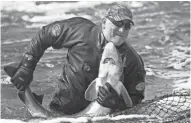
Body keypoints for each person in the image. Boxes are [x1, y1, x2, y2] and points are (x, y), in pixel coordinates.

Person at [10, 4, 146, 114]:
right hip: (61, 111)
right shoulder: (80, 31)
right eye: (118, 23)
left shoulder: (133, 61)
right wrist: (26, 65)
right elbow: (45, 34)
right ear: (104, 23)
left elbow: (137, 100)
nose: (122, 30)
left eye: (127, 25)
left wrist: (117, 103)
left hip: (101, 116)